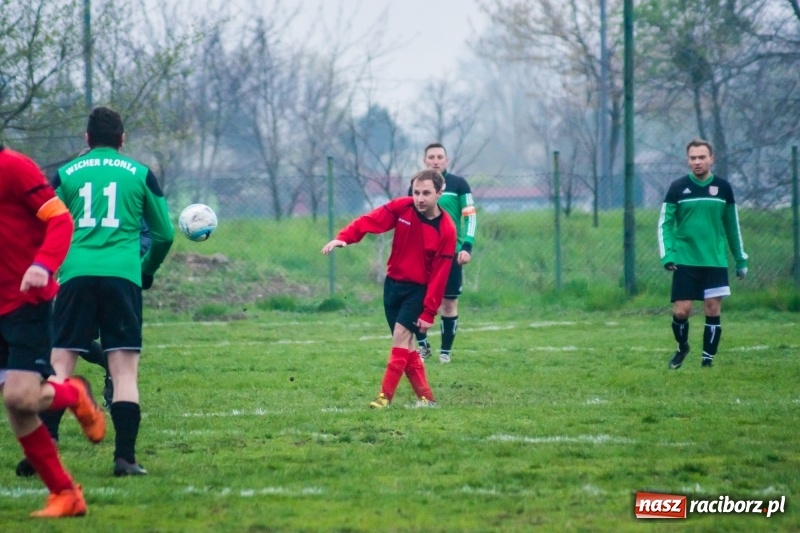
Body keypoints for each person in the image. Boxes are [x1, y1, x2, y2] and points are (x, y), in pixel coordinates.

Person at [47, 106, 174, 476]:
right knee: (124, 374)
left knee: (59, 365)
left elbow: (44, 223)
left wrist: (50, 265)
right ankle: (124, 459)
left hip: (75, 276)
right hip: (122, 276)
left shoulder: (66, 173)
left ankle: (45, 447)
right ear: (122, 139)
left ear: (87, 139)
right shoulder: (139, 173)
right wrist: (145, 270)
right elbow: (164, 234)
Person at [0, 143, 107, 517]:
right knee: (19, 407)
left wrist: (43, 264)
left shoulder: (13, 168)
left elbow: (61, 219)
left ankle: (72, 392)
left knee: (20, 399)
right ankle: (65, 494)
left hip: (25, 302)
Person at [322, 170, 456, 408]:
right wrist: (344, 237)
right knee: (407, 346)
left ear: (439, 193)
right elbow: (370, 220)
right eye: (416, 192)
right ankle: (427, 398)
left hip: (418, 290)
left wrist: (428, 312)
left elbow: (439, 276)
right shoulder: (402, 208)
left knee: (400, 337)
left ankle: (384, 398)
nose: (420, 198)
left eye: (426, 193)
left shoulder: (446, 229)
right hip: (392, 286)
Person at [658, 139, 748, 369]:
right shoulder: (678, 188)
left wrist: (740, 259)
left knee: (713, 308)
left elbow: (732, 226)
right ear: (688, 160)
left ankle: (707, 362)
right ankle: (682, 347)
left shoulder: (723, 188)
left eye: (701, 157)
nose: (697, 162)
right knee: (682, 310)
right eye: (693, 158)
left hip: (714, 260)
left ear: (711, 159)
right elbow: (665, 225)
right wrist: (667, 255)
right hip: (685, 259)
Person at [412, 143, 477, 364]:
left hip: (451, 254)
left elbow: (470, 216)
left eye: (440, 156)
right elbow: (408, 218)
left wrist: (466, 247)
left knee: (448, 302)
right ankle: (422, 346)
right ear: (425, 160)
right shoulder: (416, 185)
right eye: (431, 157)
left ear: (446, 160)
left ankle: (445, 353)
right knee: (417, 300)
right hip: (423, 255)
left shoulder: (459, 184)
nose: (436, 160)